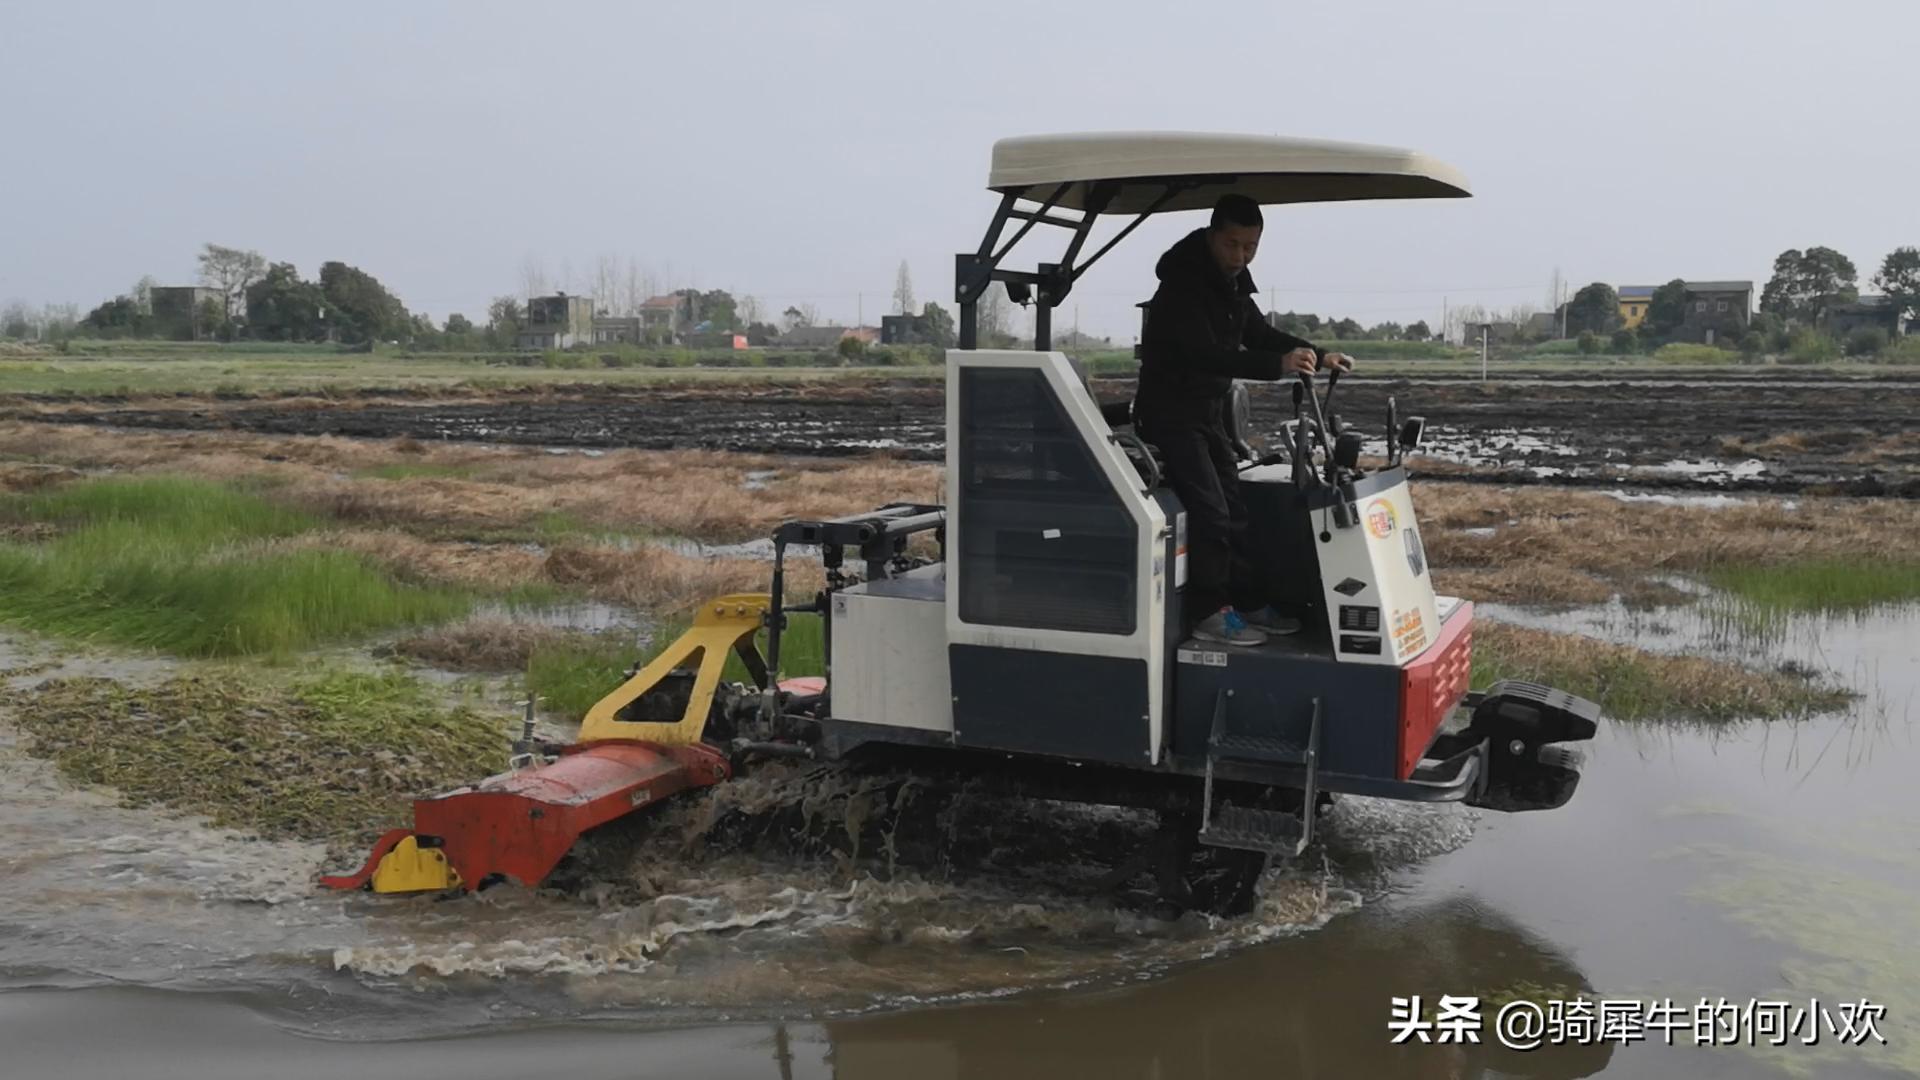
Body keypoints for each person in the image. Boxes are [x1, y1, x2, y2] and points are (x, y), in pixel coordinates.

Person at [1134, 194, 1353, 647]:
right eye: (1232, 245)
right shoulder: (1182, 288)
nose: (1240, 256)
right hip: (1171, 415)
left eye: (1250, 247)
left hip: (1207, 413)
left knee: (1235, 511)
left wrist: (1316, 351)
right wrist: (1278, 366)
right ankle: (1208, 613)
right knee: (1210, 512)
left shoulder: (1232, 285)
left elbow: (1258, 334)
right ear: (1213, 235)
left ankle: (1248, 602)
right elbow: (1207, 355)